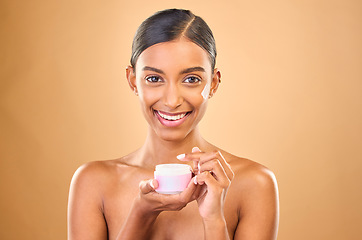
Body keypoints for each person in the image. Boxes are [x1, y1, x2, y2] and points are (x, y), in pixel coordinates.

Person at [67, 8, 279, 240]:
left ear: (214, 83)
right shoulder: (93, 183)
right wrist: (141, 214)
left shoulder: (254, 183)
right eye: (154, 79)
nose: (171, 101)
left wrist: (213, 219)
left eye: (191, 79)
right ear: (133, 80)